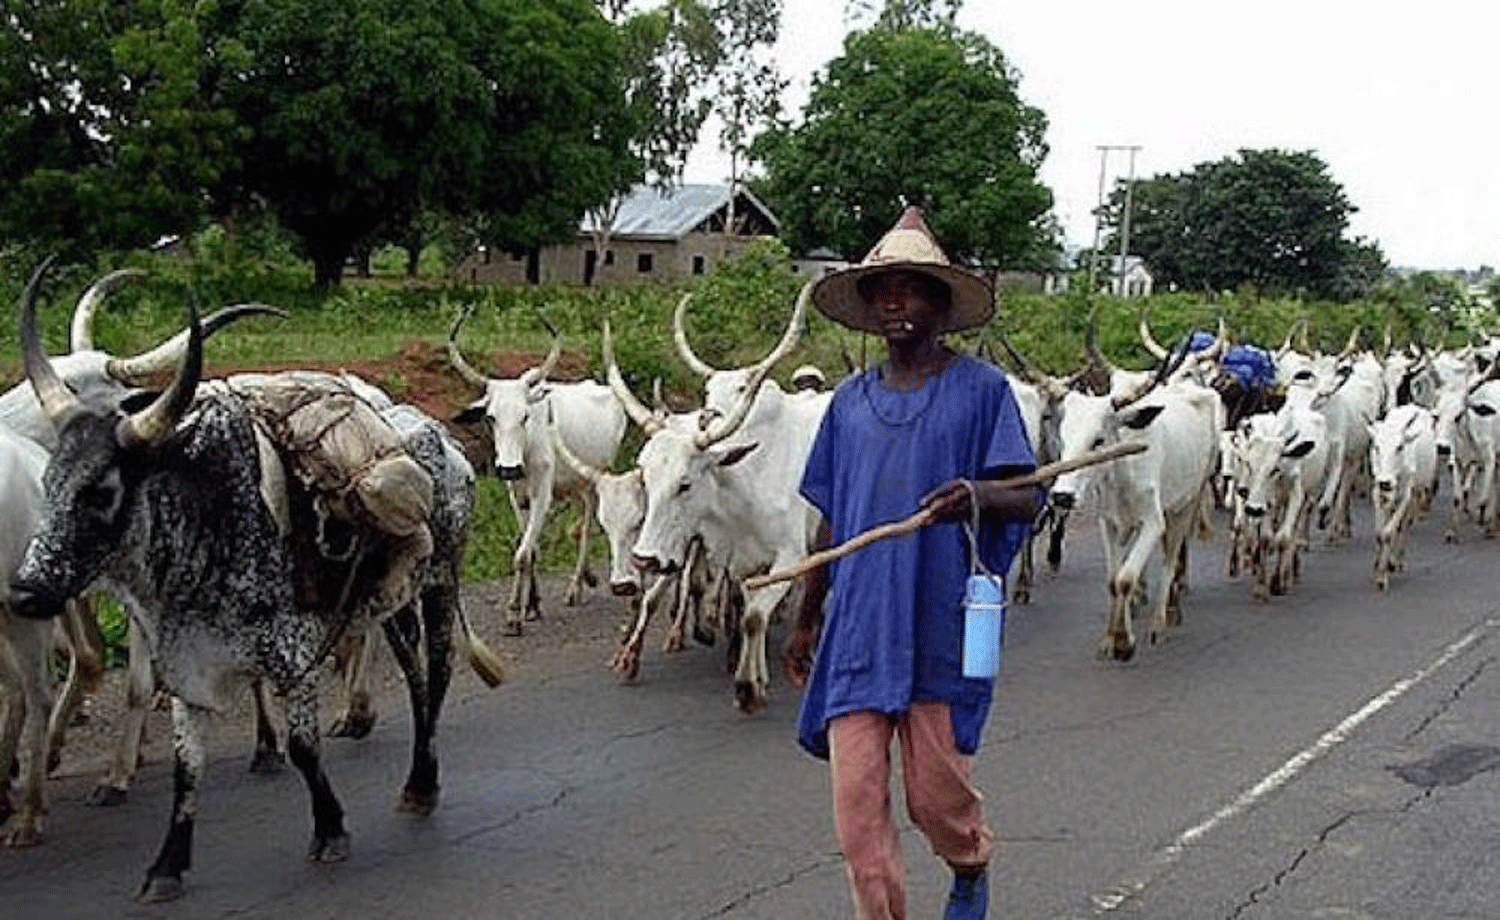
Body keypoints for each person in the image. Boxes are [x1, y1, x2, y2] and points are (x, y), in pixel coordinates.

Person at [781, 206, 1040, 920]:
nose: (896, 299)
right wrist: (807, 618)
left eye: (913, 287)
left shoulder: (982, 393)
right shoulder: (848, 405)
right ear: (867, 305)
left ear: (941, 303)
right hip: (858, 630)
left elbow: (1028, 498)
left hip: (939, 620)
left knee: (935, 799)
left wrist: (979, 492)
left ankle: (970, 861)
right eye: (883, 288)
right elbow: (831, 522)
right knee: (858, 819)